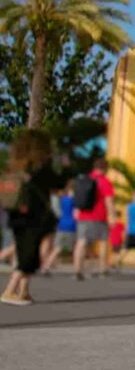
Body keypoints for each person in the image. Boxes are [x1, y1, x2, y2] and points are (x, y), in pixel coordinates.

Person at [2, 129, 65, 306]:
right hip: (34, 216)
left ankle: (23, 291)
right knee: (30, 254)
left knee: (27, 252)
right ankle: (9, 291)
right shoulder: (40, 167)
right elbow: (58, 184)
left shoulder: (16, 165)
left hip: (17, 214)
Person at [72, 158, 115, 280]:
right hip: (99, 216)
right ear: (105, 168)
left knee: (81, 242)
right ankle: (102, 269)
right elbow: (109, 201)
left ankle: (77, 270)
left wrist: (77, 211)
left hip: (83, 215)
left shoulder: (84, 179)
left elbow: (78, 197)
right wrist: (112, 215)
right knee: (103, 241)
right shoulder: (105, 182)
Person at [42, 183, 77, 273]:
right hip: (71, 224)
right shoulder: (74, 200)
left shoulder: (62, 199)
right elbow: (76, 213)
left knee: (58, 246)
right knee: (62, 247)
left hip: (61, 224)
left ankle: (47, 265)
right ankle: (47, 266)